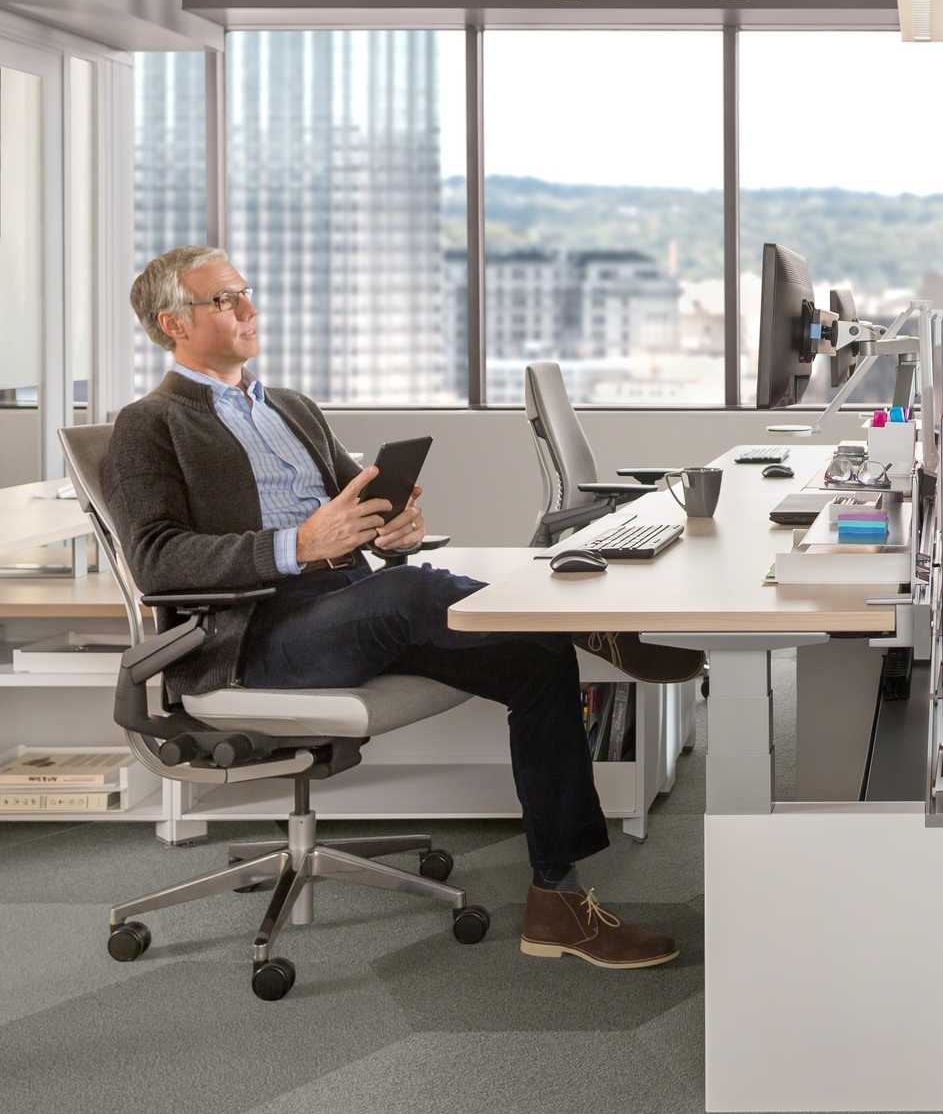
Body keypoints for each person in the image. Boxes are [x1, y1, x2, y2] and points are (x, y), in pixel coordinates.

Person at [105, 245, 702, 971]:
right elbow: (157, 558)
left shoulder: (290, 406)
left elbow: (367, 508)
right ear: (173, 323)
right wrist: (295, 543)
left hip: (351, 602)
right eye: (226, 300)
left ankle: (558, 903)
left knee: (533, 660)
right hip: (258, 633)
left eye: (246, 293)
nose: (250, 309)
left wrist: (397, 528)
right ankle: (584, 622)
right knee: (415, 590)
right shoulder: (150, 423)